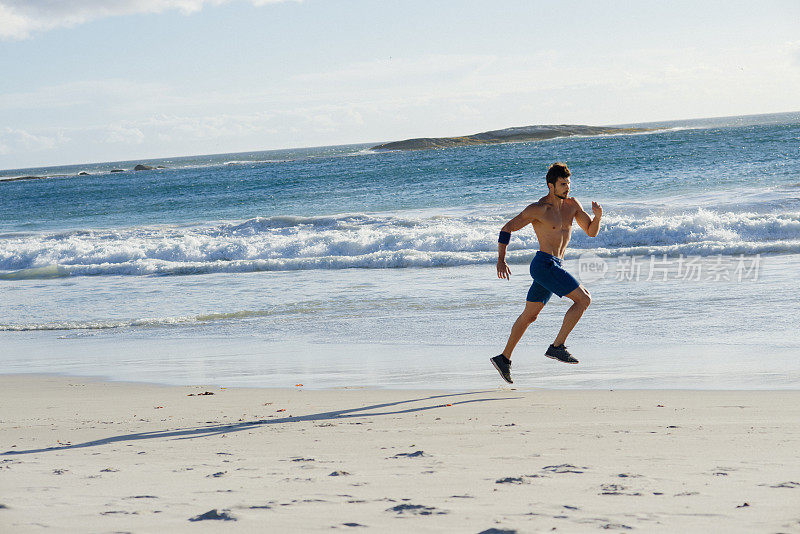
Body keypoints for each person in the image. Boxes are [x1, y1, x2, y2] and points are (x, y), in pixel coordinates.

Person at [490, 162, 602, 384]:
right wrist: (501, 259)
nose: (567, 188)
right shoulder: (539, 209)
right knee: (584, 299)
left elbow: (590, 232)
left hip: (556, 265)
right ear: (551, 186)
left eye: (568, 183)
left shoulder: (572, 205)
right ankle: (557, 346)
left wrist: (597, 217)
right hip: (543, 264)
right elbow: (506, 228)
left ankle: (503, 358)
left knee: (530, 315)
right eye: (562, 184)